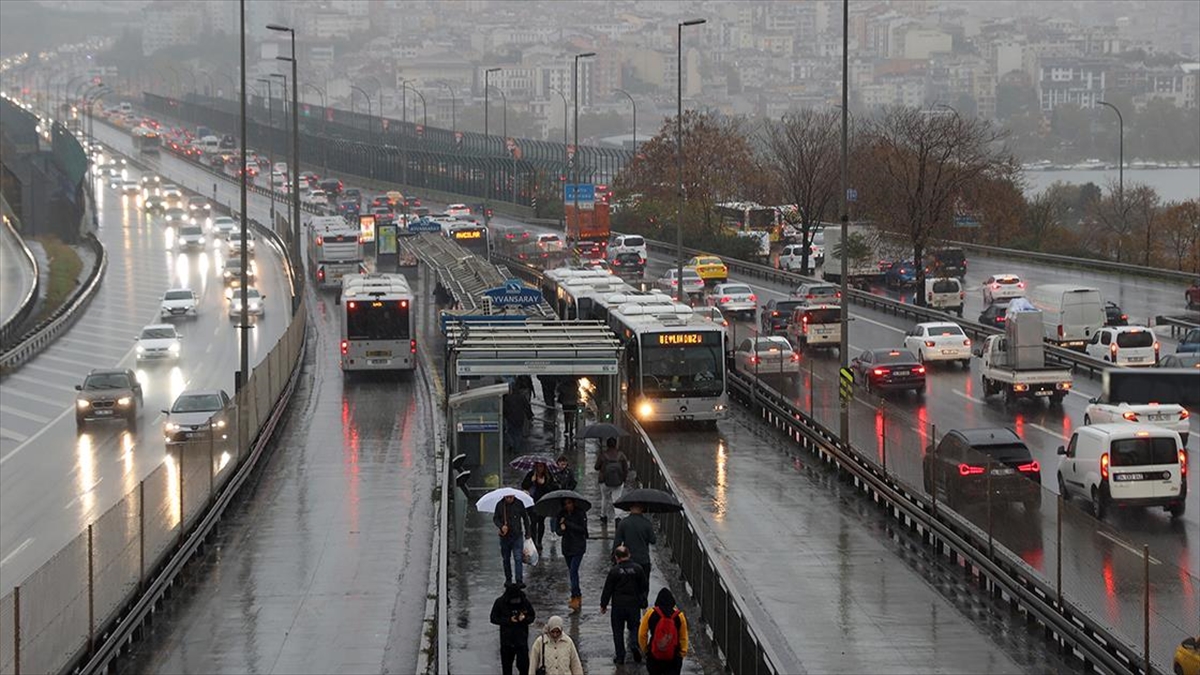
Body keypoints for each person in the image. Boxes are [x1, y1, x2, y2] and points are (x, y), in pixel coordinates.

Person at [599, 545, 648, 665]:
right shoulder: (638, 569)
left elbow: (608, 589)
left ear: (617, 558)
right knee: (634, 627)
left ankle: (620, 656)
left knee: (618, 631)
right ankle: (634, 644)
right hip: (633, 605)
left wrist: (603, 604)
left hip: (618, 606)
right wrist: (643, 601)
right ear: (629, 555)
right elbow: (644, 587)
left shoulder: (614, 571)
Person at [639, 588, 689, 675]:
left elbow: (642, 634)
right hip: (673, 657)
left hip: (654, 656)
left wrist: (646, 649)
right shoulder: (679, 616)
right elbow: (683, 637)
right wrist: (682, 653)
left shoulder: (651, 613)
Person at [490, 582, 536, 675]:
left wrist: (524, 619)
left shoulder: (524, 601)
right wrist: (508, 620)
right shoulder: (500, 602)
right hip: (506, 641)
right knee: (507, 668)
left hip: (521, 640)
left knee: (524, 667)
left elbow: (532, 616)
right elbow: (493, 618)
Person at [556, 497, 588, 612]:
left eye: (569, 503)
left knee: (573, 571)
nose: (567, 506)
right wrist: (562, 529)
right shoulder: (561, 514)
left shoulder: (580, 513)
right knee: (572, 572)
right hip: (567, 547)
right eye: (565, 504)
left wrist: (568, 523)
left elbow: (583, 529)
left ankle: (574, 596)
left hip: (578, 546)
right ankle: (578, 595)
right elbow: (558, 531)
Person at [494, 493, 532, 585]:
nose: (509, 499)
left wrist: (528, 533)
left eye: (511, 497)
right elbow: (495, 518)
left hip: (517, 535)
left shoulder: (519, 503)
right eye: (507, 497)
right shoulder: (500, 505)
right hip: (505, 537)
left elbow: (525, 518)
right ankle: (508, 579)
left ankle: (519, 580)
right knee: (506, 558)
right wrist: (501, 526)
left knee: (518, 557)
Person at [520, 461, 558, 552]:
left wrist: (543, 484)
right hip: (532, 502)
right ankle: (533, 541)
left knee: (541, 522)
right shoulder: (531, 475)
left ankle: (539, 541)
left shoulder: (548, 476)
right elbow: (524, 485)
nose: (539, 469)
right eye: (538, 466)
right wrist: (531, 481)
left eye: (541, 466)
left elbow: (553, 489)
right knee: (533, 522)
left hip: (543, 502)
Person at [613, 503, 656, 582]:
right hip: (643, 560)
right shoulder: (647, 523)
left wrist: (614, 558)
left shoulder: (623, 523)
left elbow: (617, 542)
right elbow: (653, 540)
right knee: (643, 586)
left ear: (630, 508)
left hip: (628, 560)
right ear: (642, 509)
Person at [593, 438, 628, 526]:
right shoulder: (621, 455)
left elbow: (596, 467)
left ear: (607, 445)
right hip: (618, 481)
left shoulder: (603, 455)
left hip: (604, 481)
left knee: (605, 498)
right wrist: (623, 479)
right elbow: (625, 469)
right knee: (617, 499)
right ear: (616, 445)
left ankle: (603, 516)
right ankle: (618, 518)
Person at [503, 387, 532, 453]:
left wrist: (505, 415)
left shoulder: (508, 398)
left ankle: (512, 444)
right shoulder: (522, 397)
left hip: (510, 418)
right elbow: (527, 406)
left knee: (510, 432)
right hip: (519, 418)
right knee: (518, 433)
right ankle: (516, 448)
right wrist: (529, 415)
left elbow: (504, 409)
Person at [557, 377, 580, 448]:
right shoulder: (575, 385)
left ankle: (567, 428)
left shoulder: (563, 385)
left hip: (565, 403)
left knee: (566, 416)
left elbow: (558, 390)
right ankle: (571, 430)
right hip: (573, 403)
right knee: (572, 417)